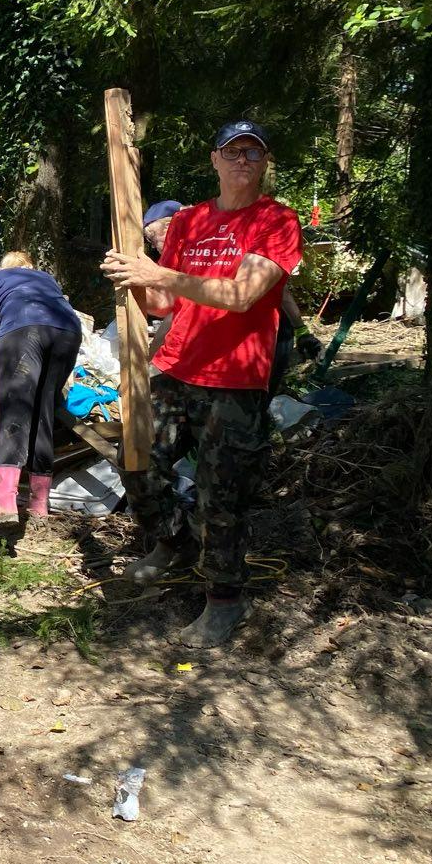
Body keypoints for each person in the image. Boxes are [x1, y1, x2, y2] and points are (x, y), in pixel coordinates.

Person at [102, 120, 304, 647]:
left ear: (264, 165)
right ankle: (171, 545)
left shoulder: (276, 220)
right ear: (214, 160)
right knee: (136, 457)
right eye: (233, 152)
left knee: (222, 493)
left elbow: (242, 296)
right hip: (176, 365)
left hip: (236, 378)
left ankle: (223, 602)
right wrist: (132, 279)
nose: (243, 161)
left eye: (254, 153)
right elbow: (163, 303)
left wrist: (156, 275)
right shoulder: (189, 222)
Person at [145, 198, 321, 396]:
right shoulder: (179, 252)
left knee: (260, 400)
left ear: (171, 223)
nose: (154, 244)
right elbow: (168, 305)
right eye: (149, 239)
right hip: (208, 354)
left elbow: (265, 293)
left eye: (155, 235)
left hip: (258, 337)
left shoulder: (220, 240)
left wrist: (300, 329)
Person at [0, 251, 82, 536]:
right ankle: (39, 505)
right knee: (43, 412)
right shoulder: (46, 279)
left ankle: (4, 504)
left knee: (15, 407)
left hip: (24, 330)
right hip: (68, 331)